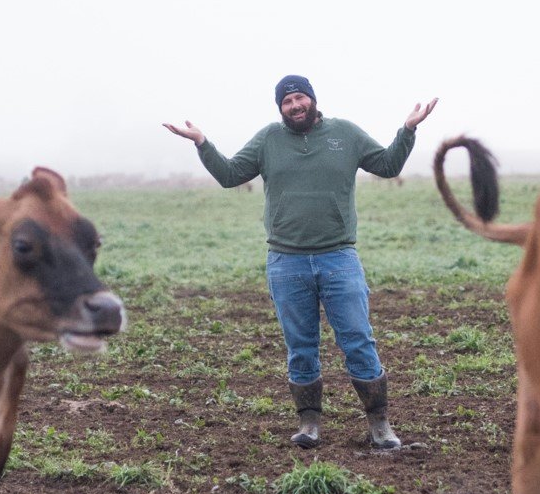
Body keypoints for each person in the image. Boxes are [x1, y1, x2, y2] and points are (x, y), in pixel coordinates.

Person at [164, 75, 436, 450]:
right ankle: (309, 424)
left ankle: (380, 425)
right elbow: (229, 175)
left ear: (312, 100)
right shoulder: (268, 140)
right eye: (287, 101)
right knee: (300, 346)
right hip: (286, 261)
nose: (295, 105)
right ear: (281, 108)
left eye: (300, 98)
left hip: (339, 257)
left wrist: (407, 130)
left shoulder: (346, 134)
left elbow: (388, 166)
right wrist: (202, 143)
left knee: (358, 339)